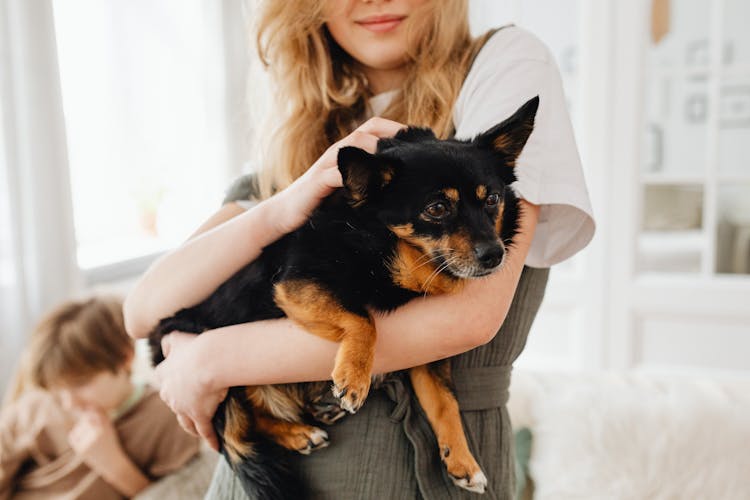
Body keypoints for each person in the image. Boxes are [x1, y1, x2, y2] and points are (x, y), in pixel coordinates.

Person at [123, 0, 595, 498]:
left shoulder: (506, 66)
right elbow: (142, 310)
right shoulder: (299, 136)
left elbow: (465, 318)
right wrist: (284, 208)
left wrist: (206, 360)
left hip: (421, 476)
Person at [0, 295, 201, 499]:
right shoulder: (37, 407)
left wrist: (114, 464)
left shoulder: (166, 417)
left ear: (125, 357)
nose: (68, 403)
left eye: (80, 384)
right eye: (57, 389)